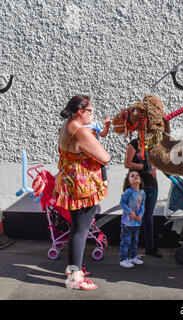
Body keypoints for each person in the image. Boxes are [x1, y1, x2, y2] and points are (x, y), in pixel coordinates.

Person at [56, 95, 110, 290]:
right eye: (90, 112)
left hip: (71, 183)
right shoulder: (81, 132)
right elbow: (105, 156)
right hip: (83, 186)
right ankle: (75, 278)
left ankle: (73, 269)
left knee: (76, 229)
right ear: (80, 111)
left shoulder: (66, 126)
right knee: (80, 231)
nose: (92, 115)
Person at [124, 137, 162, 258]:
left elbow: (160, 162)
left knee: (148, 216)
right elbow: (127, 163)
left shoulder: (155, 144)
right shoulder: (134, 144)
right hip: (136, 184)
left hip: (151, 184)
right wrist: (145, 167)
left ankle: (150, 247)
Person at [119, 170, 146, 268]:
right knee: (126, 241)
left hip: (137, 223)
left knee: (135, 240)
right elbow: (122, 204)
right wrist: (130, 212)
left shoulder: (142, 193)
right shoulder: (128, 191)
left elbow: (142, 205)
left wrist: (141, 214)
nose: (135, 176)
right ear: (128, 181)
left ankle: (132, 257)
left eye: (137, 175)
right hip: (127, 223)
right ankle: (123, 259)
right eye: (132, 176)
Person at [84, 115, 111, 183]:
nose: (91, 116)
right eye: (89, 114)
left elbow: (102, 134)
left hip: (95, 149)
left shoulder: (94, 125)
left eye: (92, 114)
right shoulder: (79, 126)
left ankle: (104, 180)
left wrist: (107, 127)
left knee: (101, 163)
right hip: (84, 151)